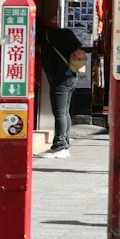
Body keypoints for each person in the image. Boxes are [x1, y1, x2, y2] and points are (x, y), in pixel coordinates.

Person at [36, 22, 86, 159]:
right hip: (70, 76)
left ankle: (60, 145)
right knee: (64, 112)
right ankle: (64, 143)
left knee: (59, 113)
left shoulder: (50, 36)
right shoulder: (62, 34)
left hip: (61, 78)